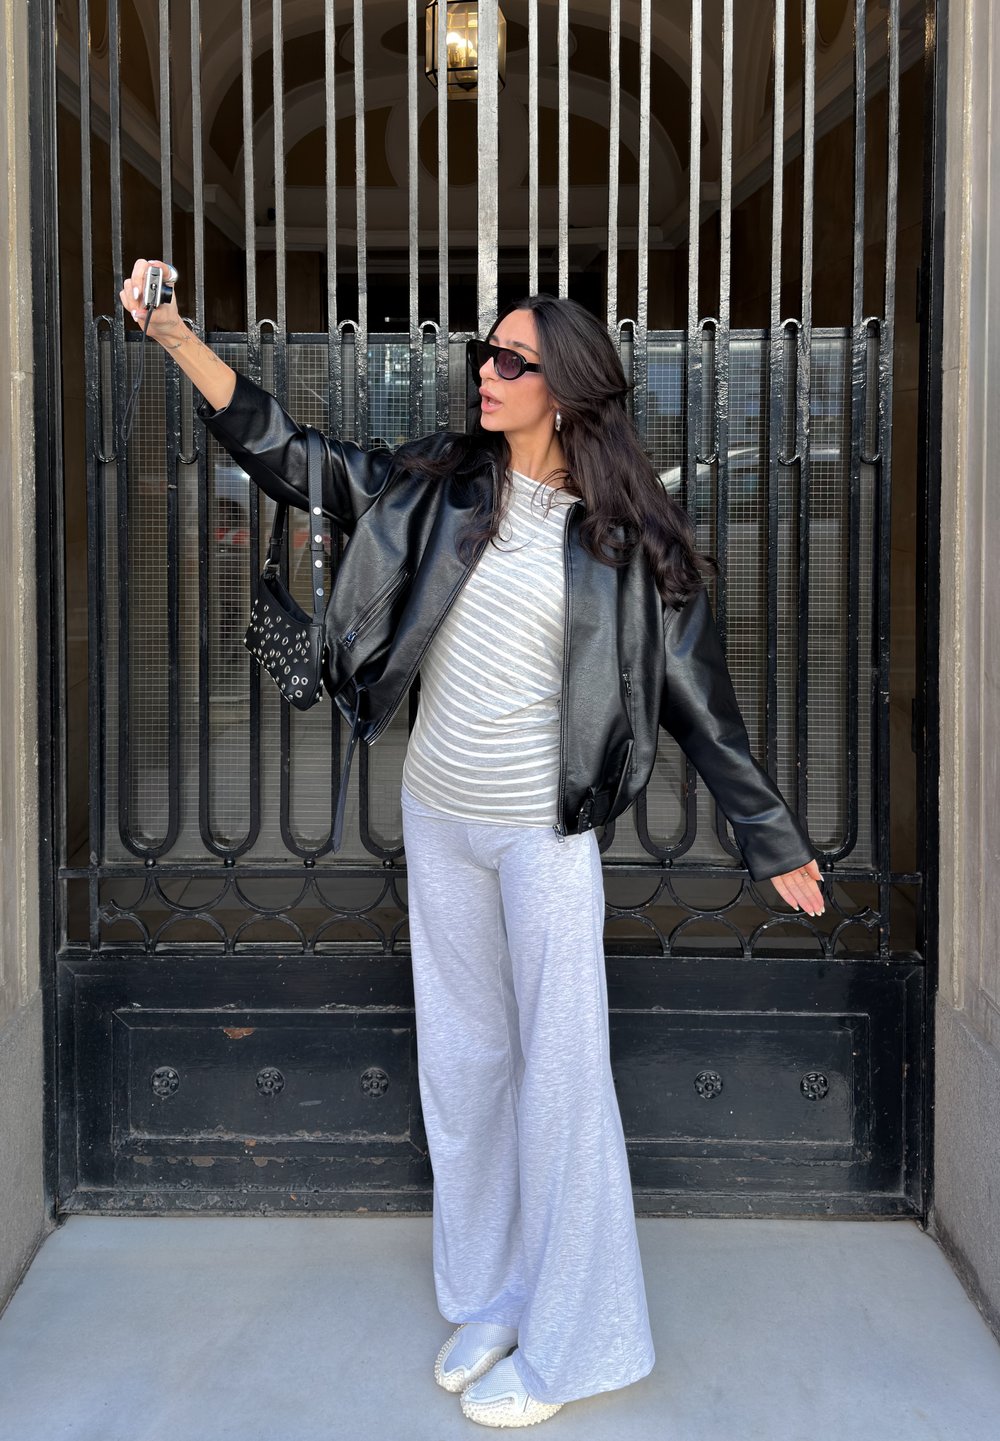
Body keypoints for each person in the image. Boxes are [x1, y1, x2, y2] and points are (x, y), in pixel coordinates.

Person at [119, 259, 825, 1429]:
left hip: (541, 835)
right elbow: (300, 460)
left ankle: (579, 1343)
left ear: (567, 388)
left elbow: (698, 699)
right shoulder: (443, 484)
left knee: (560, 1081)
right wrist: (177, 341)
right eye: (482, 354)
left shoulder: (628, 539)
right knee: (463, 1066)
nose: (483, 373)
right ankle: (494, 1293)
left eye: (510, 360)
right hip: (438, 817)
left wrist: (771, 834)